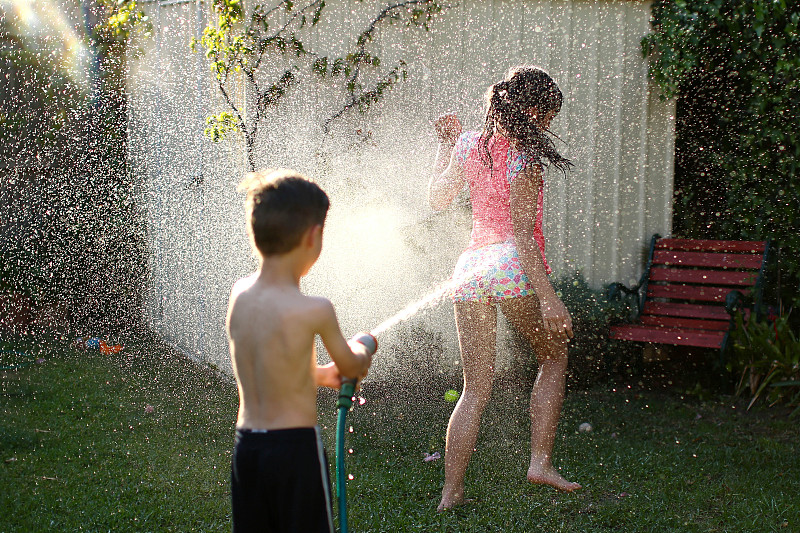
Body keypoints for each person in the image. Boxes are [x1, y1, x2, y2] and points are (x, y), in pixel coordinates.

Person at [428, 66, 581, 511]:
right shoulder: (525, 161)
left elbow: (436, 199)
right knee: (554, 355)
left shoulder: (468, 146)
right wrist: (550, 299)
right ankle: (540, 462)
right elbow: (521, 236)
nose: (548, 127)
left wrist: (443, 146)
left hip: (471, 269)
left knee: (475, 387)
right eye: (547, 118)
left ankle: (451, 492)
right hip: (511, 268)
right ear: (531, 111)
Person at [226, 168, 374, 532]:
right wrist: (363, 345)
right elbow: (353, 366)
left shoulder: (240, 296)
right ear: (313, 237)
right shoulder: (315, 310)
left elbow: (269, 362)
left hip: (248, 449)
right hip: (295, 450)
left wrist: (321, 374)